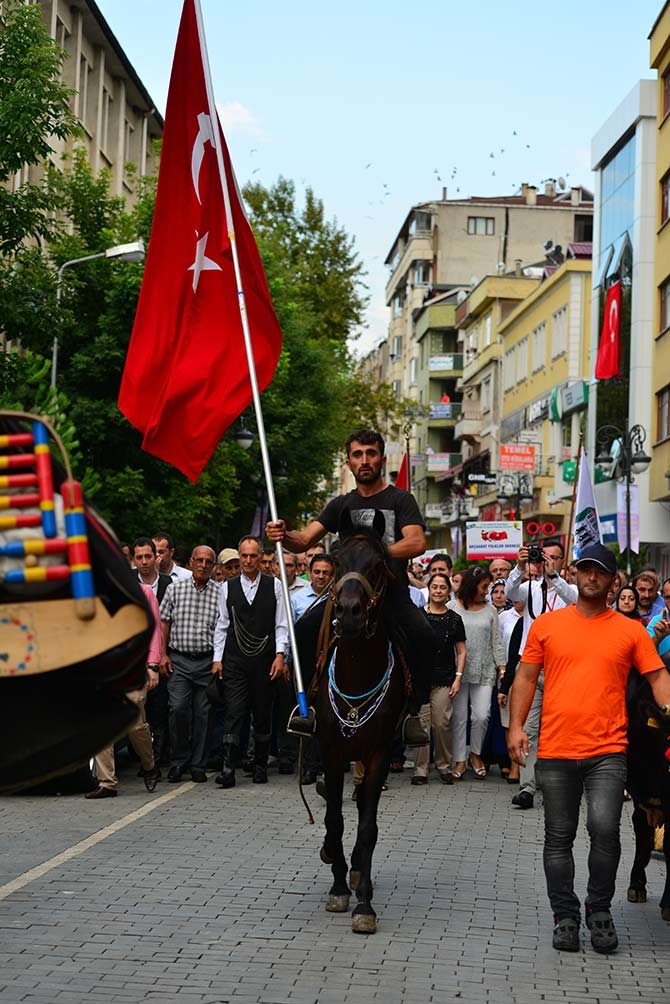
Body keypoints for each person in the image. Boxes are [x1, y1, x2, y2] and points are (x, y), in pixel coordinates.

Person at [508, 542, 670, 955]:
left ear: (613, 581)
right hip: (557, 750)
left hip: (608, 751)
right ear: (575, 574)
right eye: (585, 569)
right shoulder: (548, 625)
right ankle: (565, 916)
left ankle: (599, 910)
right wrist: (516, 727)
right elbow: (525, 677)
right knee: (558, 836)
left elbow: (657, 677)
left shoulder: (630, 631)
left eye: (600, 571)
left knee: (605, 831)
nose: (591, 576)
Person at [266, 428, 434, 746]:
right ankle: (306, 707)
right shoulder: (341, 505)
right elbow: (303, 540)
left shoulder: (401, 500)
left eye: (371, 454)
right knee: (302, 632)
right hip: (345, 597)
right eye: (357, 454)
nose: (364, 460)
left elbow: (416, 542)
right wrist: (283, 534)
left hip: (390, 596)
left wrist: (376, 553)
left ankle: (413, 712)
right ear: (349, 463)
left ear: (381, 460)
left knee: (424, 634)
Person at [504, 539, 578, 809]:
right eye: (543, 556)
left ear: (562, 561)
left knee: (557, 730)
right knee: (529, 729)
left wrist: (554, 577)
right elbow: (510, 592)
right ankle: (527, 788)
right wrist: (519, 565)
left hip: (561, 667)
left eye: (554, 557)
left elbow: (575, 600)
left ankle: (555, 786)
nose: (547, 561)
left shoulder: (570, 589)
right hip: (531, 668)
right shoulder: (531, 588)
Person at [212, 536, 289, 788]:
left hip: (265, 660)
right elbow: (222, 625)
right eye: (243, 555)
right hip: (235, 660)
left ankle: (260, 766)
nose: (247, 560)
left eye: (252, 556)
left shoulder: (275, 585)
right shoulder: (227, 587)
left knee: (263, 713)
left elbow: (281, 624)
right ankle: (228, 769)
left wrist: (280, 655)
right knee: (234, 712)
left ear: (260, 557)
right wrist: (217, 659)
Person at [86, 584, 162, 798]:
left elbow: (154, 629)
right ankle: (107, 782)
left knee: (135, 726)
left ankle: (149, 765)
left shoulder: (143, 592)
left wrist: (152, 664)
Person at [159, 546, 220, 783]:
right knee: (177, 709)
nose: (203, 565)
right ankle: (178, 761)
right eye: (199, 560)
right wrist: (163, 655)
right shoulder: (175, 589)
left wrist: (219, 660)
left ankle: (198, 764)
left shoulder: (220, 593)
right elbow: (164, 623)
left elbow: (224, 629)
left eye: (208, 562)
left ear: (214, 566)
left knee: (204, 714)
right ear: (191, 562)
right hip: (179, 661)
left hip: (207, 661)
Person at [447, 567, 506, 779]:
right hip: (457, 672)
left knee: (482, 715)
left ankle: (475, 754)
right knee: (459, 718)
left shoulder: (490, 611)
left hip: (484, 670)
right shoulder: (451, 607)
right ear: (472, 586)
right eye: (484, 587)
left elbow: (496, 642)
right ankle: (459, 760)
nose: (486, 591)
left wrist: (502, 667)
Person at [411, 573, 466, 786]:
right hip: (420, 679)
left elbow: (461, 651)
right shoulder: (417, 616)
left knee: (441, 724)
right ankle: (421, 769)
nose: (438, 591)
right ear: (429, 589)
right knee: (422, 726)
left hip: (444, 678)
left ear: (448, 591)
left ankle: (444, 766)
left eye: (442, 587)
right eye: (434, 587)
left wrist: (458, 678)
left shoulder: (455, 619)